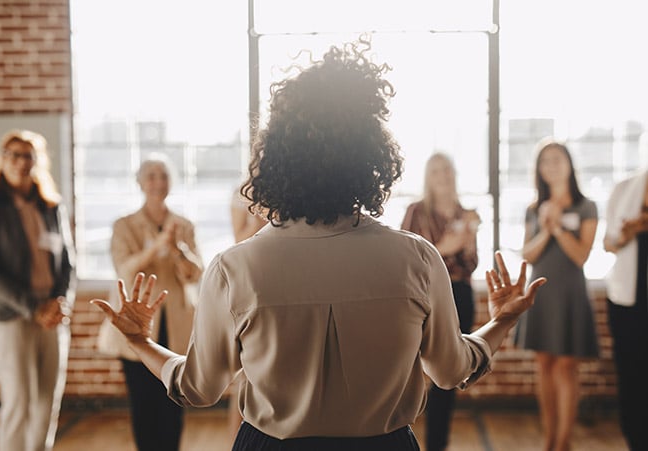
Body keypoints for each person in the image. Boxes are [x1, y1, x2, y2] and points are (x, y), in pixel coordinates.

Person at [92, 41, 545, 451]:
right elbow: (452, 370)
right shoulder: (417, 258)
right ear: (372, 161)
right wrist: (502, 321)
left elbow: (198, 388)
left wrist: (140, 341)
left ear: (273, 162)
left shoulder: (235, 268)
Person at [107, 154, 203, 451]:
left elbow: (195, 274)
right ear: (140, 183)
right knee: (143, 404)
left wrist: (179, 250)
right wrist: (157, 247)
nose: (158, 182)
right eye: (151, 176)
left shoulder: (183, 225)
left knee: (174, 400)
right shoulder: (124, 225)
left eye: (163, 175)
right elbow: (124, 268)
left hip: (175, 325)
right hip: (136, 323)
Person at [515, 139, 599, 451]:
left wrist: (559, 227)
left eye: (557, 159)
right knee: (545, 365)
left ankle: (564, 441)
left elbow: (580, 256)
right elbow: (529, 254)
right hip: (542, 292)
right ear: (538, 169)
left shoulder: (585, 206)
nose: (551, 165)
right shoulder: (533, 210)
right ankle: (549, 439)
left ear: (568, 164)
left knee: (566, 366)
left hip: (571, 293)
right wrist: (546, 228)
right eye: (545, 160)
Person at [0, 129, 75, 451]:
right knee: (19, 401)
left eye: (28, 155)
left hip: (53, 316)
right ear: (3, 160)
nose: (21, 162)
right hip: (13, 316)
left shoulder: (51, 206)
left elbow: (68, 263)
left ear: (37, 161)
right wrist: (34, 308)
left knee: (47, 401)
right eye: (14, 155)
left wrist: (60, 303)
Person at [401, 152, 480, 451]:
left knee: (450, 375)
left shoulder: (466, 214)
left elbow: (471, 263)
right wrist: (445, 248)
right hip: (421, 295)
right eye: (436, 171)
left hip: (459, 295)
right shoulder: (416, 212)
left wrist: (465, 242)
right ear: (427, 178)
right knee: (408, 370)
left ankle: (437, 446)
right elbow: (406, 258)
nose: (443, 176)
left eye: (447, 170)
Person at [603, 167, 648, 451]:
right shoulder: (624, 188)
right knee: (631, 378)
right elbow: (609, 243)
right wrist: (627, 232)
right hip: (627, 301)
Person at [226, 188, 268, 444]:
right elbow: (238, 240)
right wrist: (258, 221)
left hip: (286, 273)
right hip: (251, 278)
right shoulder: (243, 192)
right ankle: (236, 441)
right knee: (244, 372)